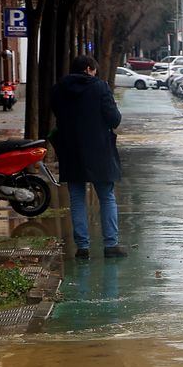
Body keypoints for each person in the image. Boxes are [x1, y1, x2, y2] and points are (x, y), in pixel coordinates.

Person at [50, 54, 125, 260]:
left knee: (77, 199)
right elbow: (114, 119)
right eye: (94, 70)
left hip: (70, 150)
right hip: (99, 150)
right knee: (107, 197)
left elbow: (58, 114)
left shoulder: (58, 90)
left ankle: (82, 247)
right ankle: (111, 245)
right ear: (89, 69)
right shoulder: (100, 87)